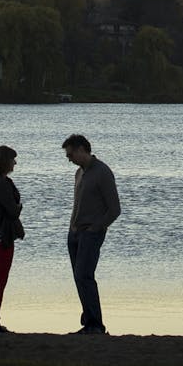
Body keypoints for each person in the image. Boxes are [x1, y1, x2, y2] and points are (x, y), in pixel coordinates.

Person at [62, 133, 121, 335]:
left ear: (81, 150)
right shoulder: (79, 173)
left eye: (70, 154)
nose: (68, 158)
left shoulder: (102, 172)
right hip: (75, 233)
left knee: (84, 275)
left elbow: (114, 209)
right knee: (79, 278)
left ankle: (95, 324)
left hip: (91, 234)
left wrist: (96, 227)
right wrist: (72, 229)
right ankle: (88, 321)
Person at [0, 144, 24, 333]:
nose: (15, 163)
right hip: (1, 237)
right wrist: (18, 207)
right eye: (12, 159)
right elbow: (12, 210)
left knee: (0, 279)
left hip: (2, 236)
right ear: (5, 162)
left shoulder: (0, 181)